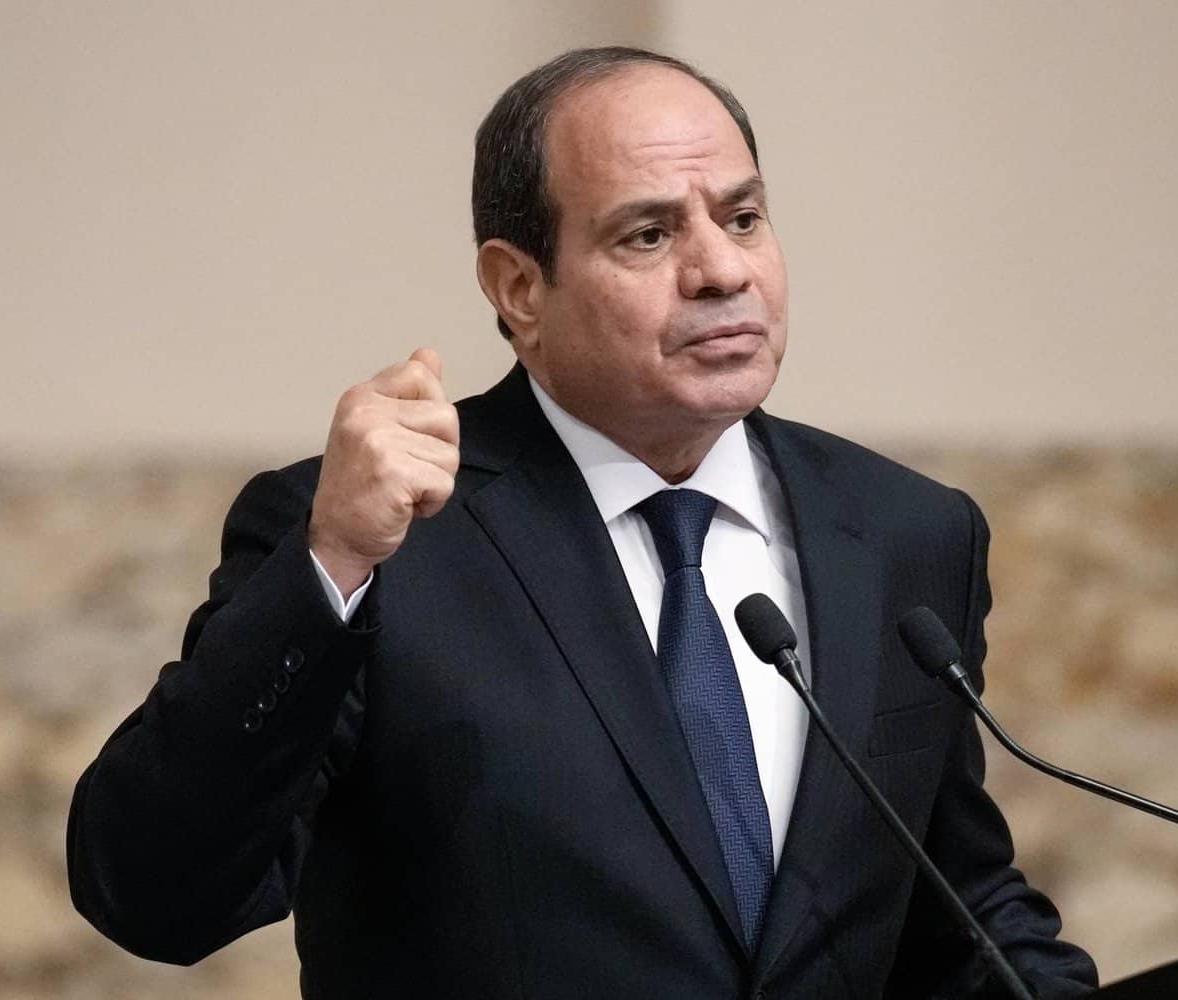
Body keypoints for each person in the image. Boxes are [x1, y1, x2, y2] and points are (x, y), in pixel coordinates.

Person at [67, 46, 1098, 998]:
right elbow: (155, 893)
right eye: (649, 234)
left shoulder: (905, 532)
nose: (723, 270)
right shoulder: (379, 539)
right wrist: (331, 566)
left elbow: (947, 905)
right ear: (520, 286)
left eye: (743, 218)